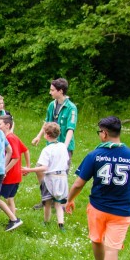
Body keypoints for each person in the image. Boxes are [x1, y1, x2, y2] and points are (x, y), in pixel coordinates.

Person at [65, 117, 130, 260]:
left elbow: (78, 184)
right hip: (122, 211)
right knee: (112, 249)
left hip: (97, 208)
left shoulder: (95, 155)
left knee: (96, 240)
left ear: (105, 133)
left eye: (99, 132)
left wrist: (69, 200)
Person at [32, 78, 77, 209]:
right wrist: (39, 136)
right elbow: (47, 122)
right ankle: (47, 198)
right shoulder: (52, 105)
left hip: (64, 147)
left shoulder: (71, 108)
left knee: (60, 174)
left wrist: (65, 146)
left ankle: (61, 203)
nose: (50, 92)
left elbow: (70, 129)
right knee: (41, 170)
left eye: (52, 90)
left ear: (60, 91)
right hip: (50, 145)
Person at [22, 123, 69, 230]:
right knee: (58, 203)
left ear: (46, 135)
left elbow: (44, 168)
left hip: (50, 179)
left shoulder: (47, 150)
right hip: (62, 178)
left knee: (47, 203)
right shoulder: (63, 146)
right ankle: (61, 225)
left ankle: (46, 222)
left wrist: (29, 169)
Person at [0, 115, 27, 231]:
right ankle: (13, 221)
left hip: (10, 176)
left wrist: (5, 170)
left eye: (0, 124)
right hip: (15, 175)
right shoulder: (12, 137)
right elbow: (26, 150)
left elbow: (15, 157)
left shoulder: (10, 138)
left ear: (7, 125)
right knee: (10, 198)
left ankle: (14, 219)